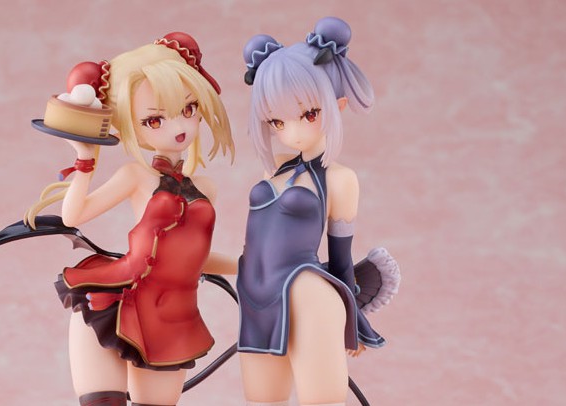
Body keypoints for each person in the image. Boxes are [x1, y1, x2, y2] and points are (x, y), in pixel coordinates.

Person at [25, 32, 234, 406]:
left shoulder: (206, 188)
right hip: (116, 299)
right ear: (126, 127)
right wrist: (85, 159)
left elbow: (196, 259)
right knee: (102, 400)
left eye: (188, 110)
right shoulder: (136, 176)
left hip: (174, 316)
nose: (178, 126)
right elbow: (74, 215)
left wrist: (255, 265)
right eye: (154, 120)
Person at [237, 17, 389, 406]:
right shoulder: (272, 171)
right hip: (256, 301)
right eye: (277, 120)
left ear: (337, 106)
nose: (290, 132)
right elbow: (253, 251)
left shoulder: (340, 180)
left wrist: (353, 320)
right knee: (262, 401)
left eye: (307, 114)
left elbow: (340, 259)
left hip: (309, 300)